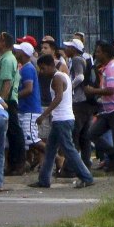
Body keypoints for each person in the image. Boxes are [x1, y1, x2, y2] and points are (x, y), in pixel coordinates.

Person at [30, 54, 94, 189]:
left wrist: (44, 115)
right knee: (50, 150)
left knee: (69, 150)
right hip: (62, 119)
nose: (41, 72)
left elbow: (58, 98)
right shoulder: (63, 75)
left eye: (43, 68)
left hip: (62, 120)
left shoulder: (57, 78)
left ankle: (86, 177)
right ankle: (44, 180)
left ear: (51, 65)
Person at [84, 41, 114, 174]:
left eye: (98, 51)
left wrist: (92, 91)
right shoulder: (108, 67)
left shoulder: (112, 68)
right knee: (92, 133)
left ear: (106, 54)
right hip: (108, 111)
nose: (96, 54)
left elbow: (111, 90)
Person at [0, 32, 25, 174]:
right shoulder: (5, 58)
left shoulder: (7, 59)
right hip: (8, 99)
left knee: (13, 131)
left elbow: (7, 82)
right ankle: (14, 163)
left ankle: (17, 163)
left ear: (3, 42)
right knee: (12, 132)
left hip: (8, 100)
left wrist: (2, 100)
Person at [63, 38, 94, 173]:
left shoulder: (76, 60)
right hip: (85, 103)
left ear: (74, 49)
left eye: (69, 47)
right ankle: (85, 164)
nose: (66, 49)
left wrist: (69, 87)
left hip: (79, 102)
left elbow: (80, 77)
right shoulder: (82, 59)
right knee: (84, 136)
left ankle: (72, 168)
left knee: (75, 135)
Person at [13, 41, 45, 169]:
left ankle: (56, 157)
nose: (16, 52)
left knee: (31, 138)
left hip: (30, 109)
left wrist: (14, 97)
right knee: (27, 138)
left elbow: (28, 89)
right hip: (25, 109)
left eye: (19, 51)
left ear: (24, 54)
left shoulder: (27, 68)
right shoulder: (25, 67)